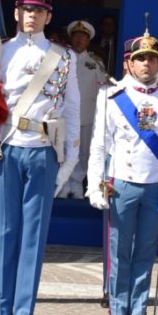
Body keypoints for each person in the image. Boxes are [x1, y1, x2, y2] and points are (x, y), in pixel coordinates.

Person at [0, 0, 80, 315]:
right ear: (16, 12)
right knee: (5, 232)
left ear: (49, 17)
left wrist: (68, 161)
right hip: (6, 148)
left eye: (40, 11)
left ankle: (23, 312)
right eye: (27, 9)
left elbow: (74, 111)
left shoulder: (65, 58)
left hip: (44, 150)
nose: (32, 15)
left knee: (34, 235)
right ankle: (1, 310)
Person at [85, 31, 158, 315]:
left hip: (156, 186)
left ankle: (138, 308)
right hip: (123, 183)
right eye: (140, 58)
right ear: (128, 63)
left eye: (152, 59)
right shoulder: (112, 97)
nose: (146, 64)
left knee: (146, 248)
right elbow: (99, 146)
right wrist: (94, 183)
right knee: (119, 249)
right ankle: (118, 308)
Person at [57, 19, 106, 199]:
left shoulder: (96, 63)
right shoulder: (61, 59)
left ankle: (77, 182)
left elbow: (104, 88)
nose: (79, 40)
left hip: (86, 115)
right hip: (63, 115)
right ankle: (63, 183)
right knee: (62, 149)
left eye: (83, 37)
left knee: (84, 151)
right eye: (76, 36)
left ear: (88, 41)